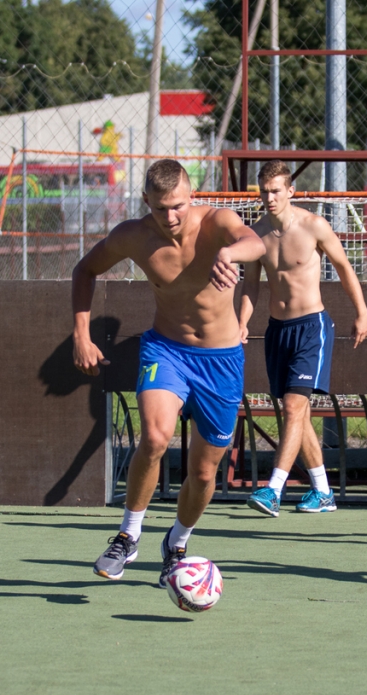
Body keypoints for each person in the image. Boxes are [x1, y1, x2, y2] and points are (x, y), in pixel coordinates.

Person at [72, 159, 265, 587]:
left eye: (178, 205)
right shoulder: (133, 236)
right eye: (161, 208)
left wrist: (231, 252)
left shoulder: (218, 223)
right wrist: (81, 335)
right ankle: (128, 534)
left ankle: (177, 542)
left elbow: (256, 243)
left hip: (222, 361)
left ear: (191, 196)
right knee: (155, 437)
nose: (171, 217)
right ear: (146, 202)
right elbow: (84, 269)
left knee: (202, 475)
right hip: (166, 350)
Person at [238, 160, 367, 516]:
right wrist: (242, 322)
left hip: (312, 328)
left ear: (290, 191)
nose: (269, 198)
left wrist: (362, 313)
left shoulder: (314, 226)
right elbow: (250, 286)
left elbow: (344, 267)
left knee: (295, 407)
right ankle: (324, 492)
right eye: (264, 191)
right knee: (295, 411)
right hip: (276, 331)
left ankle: (273, 489)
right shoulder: (256, 234)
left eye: (276, 190)